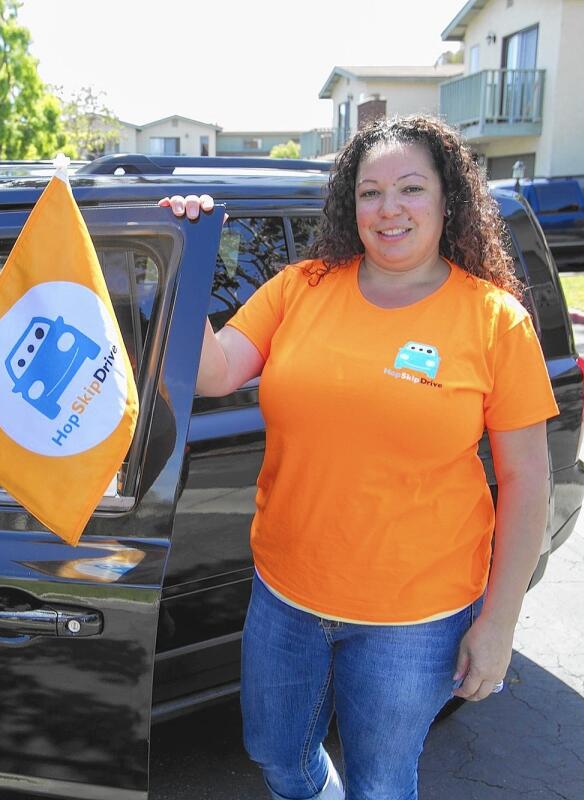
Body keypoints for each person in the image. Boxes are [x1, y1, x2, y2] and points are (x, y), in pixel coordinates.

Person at [162, 114, 558, 800]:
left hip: (416, 618)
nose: (389, 208)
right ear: (352, 203)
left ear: (447, 200)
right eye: (370, 192)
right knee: (277, 756)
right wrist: (190, 257)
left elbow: (526, 481)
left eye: (410, 188)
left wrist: (497, 624)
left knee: (380, 784)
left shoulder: (495, 320)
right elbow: (216, 371)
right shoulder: (303, 287)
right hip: (286, 595)